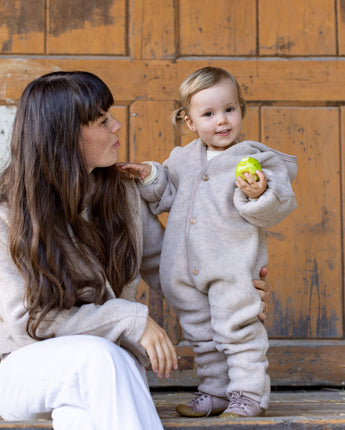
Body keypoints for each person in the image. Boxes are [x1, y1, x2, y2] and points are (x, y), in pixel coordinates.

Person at [0, 71, 179, 430]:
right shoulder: (8, 214)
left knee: (85, 409)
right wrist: (129, 319)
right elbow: (28, 325)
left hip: (102, 374)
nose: (116, 126)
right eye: (101, 121)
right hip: (21, 370)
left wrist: (231, 291)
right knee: (100, 358)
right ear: (63, 138)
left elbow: (171, 270)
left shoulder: (123, 195)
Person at [119, 66, 297, 418]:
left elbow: (277, 207)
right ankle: (215, 392)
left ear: (241, 110)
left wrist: (259, 192)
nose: (222, 121)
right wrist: (150, 175)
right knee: (201, 334)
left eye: (230, 109)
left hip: (232, 267)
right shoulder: (183, 159)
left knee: (237, 330)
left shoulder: (256, 159)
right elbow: (164, 194)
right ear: (190, 122)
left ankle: (248, 393)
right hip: (184, 270)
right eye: (209, 114)